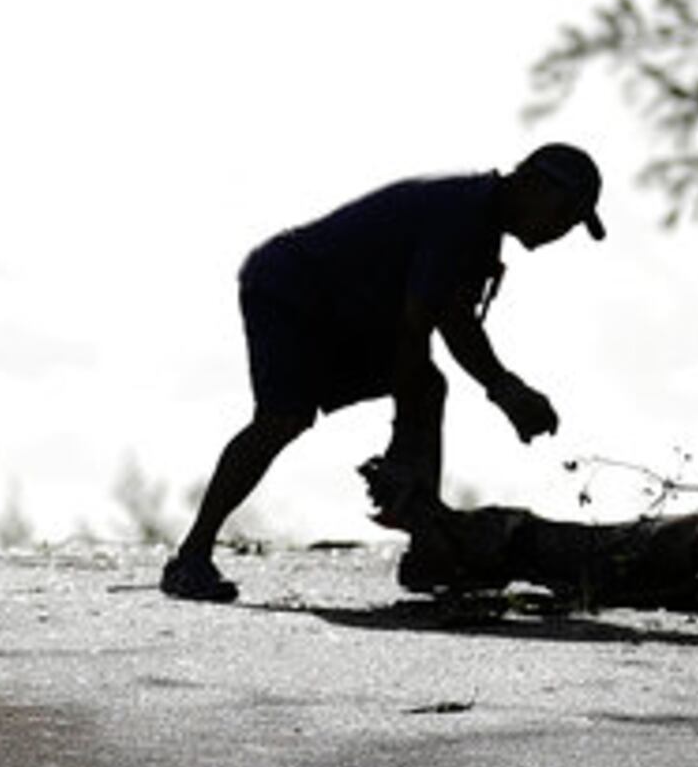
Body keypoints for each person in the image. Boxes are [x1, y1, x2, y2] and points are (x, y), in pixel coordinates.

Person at [160, 141, 606, 604]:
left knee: (425, 386)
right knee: (282, 418)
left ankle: (427, 549)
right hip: (291, 289)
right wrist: (487, 393)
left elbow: (451, 318)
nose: (562, 229)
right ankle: (191, 556)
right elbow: (421, 323)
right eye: (565, 213)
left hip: (338, 307)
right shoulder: (462, 213)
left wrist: (501, 387)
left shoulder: (479, 223)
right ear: (533, 184)